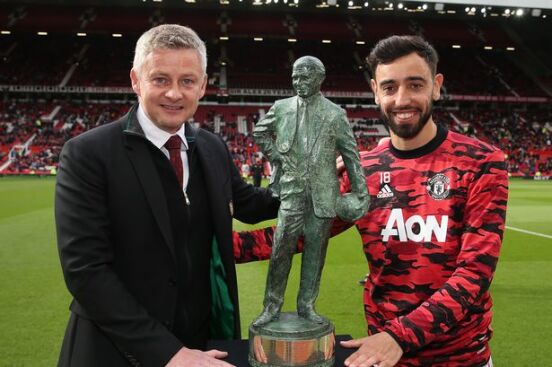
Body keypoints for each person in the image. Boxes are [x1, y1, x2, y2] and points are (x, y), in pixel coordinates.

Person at [55, 24, 278, 367]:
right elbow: (86, 272)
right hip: (115, 351)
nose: (174, 93)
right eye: (160, 79)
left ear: (203, 85)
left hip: (203, 347)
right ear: (135, 80)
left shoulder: (211, 147)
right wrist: (168, 353)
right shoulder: (88, 154)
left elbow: (250, 203)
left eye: (187, 81)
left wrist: (314, 180)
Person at [336, 35, 508, 367]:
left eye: (415, 85)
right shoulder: (365, 169)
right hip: (386, 357)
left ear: (436, 86)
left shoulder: (482, 162)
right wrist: (213, 241)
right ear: (375, 90)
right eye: (389, 87)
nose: (402, 99)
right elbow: (303, 233)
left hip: (460, 360)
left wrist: (398, 337)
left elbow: (474, 273)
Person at [252, 56, 368, 326]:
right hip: (291, 192)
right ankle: (271, 306)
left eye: (304, 77)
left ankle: (306, 305)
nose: (298, 82)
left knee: (316, 253)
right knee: (281, 248)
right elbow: (259, 133)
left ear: (319, 78)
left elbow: (351, 156)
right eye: (294, 77)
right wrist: (277, 157)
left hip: (323, 195)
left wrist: (361, 193)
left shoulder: (335, 114)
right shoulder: (281, 108)